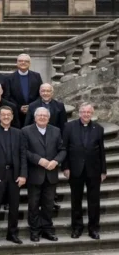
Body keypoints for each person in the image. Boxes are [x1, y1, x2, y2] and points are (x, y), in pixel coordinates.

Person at [62, 103, 107, 240]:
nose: (86, 114)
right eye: (83, 112)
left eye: (88, 112)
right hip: (75, 170)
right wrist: (65, 167)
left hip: (94, 170)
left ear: (92, 113)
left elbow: (101, 151)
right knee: (76, 201)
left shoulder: (98, 128)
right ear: (79, 112)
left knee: (94, 202)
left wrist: (103, 170)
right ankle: (77, 228)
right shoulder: (69, 127)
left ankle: (93, 229)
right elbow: (64, 148)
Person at [22, 107, 66, 242]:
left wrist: (56, 161)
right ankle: (34, 230)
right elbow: (24, 151)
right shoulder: (26, 131)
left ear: (49, 117)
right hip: (35, 174)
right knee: (34, 204)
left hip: (51, 174)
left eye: (45, 115)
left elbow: (62, 150)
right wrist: (38, 160)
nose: (42, 117)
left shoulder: (56, 130)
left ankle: (47, 229)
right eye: (39, 115)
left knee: (48, 204)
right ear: (35, 117)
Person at [0, 105, 26, 245]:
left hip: (15, 175)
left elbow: (23, 155)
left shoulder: (19, 133)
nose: (6, 117)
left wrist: (23, 175)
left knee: (14, 206)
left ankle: (12, 233)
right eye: (3, 115)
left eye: (9, 115)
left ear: (13, 116)